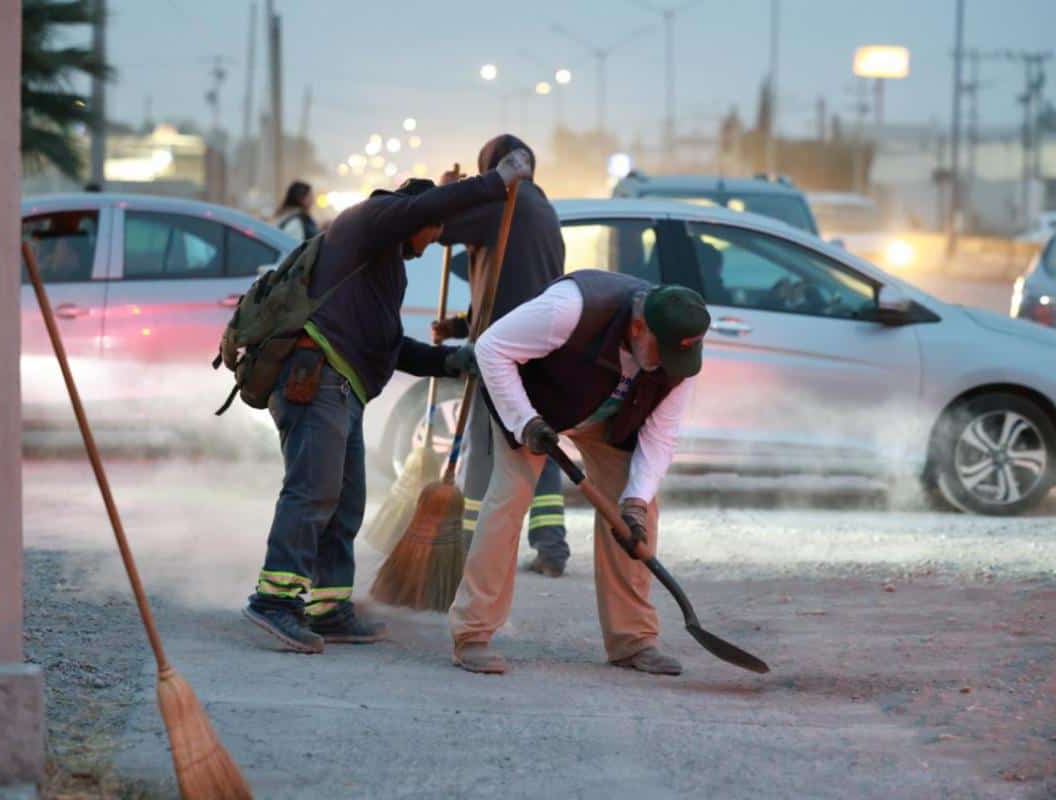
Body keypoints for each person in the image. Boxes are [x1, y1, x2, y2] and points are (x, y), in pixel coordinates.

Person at [244, 149, 534, 654]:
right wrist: (496, 180)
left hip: (341, 386)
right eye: (433, 231)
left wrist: (449, 361)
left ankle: (326, 606)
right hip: (315, 379)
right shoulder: (371, 221)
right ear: (417, 216)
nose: (433, 242)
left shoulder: (380, 261)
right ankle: (275, 602)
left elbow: (388, 344)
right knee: (313, 491)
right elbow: (419, 212)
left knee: (344, 501)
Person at [448, 269, 711, 676]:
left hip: (610, 419)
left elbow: (660, 438)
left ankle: (633, 639)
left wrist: (636, 502)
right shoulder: (571, 309)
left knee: (637, 518)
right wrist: (526, 422)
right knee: (509, 500)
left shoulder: (678, 360)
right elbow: (491, 347)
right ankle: (473, 633)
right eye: (661, 354)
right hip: (538, 408)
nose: (665, 367)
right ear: (639, 327)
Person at [433, 134, 570, 577]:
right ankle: (551, 547)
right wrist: (459, 325)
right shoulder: (541, 207)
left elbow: (439, 227)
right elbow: (507, 280)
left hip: (502, 348)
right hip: (540, 345)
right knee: (537, 442)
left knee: (482, 449)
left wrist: (448, 191)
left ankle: (469, 543)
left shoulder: (504, 203)